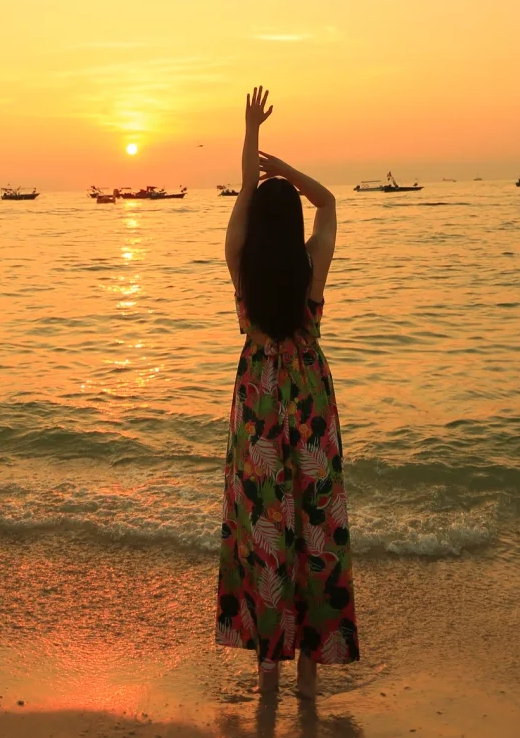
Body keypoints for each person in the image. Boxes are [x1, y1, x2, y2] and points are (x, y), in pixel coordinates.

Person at [215, 86, 360, 699]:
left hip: (257, 406)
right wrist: (289, 174)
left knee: (265, 524)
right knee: (314, 526)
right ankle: (308, 663)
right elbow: (329, 202)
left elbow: (244, 199)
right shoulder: (311, 273)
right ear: (293, 225)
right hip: (309, 409)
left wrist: (250, 140)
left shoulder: (241, 268)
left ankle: (266, 662)